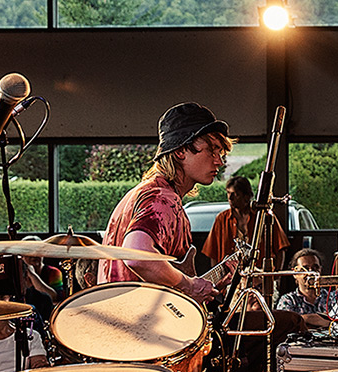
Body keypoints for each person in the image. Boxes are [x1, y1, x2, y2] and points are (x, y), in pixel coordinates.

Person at [99, 103, 232, 302]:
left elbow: (164, 285)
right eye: (211, 151)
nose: (219, 161)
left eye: (220, 153)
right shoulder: (162, 199)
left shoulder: (145, 192)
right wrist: (188, 285)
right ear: (181, 151)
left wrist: (203, 287)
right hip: (136, 318)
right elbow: (135, 256)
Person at [277, 246, 338, 332]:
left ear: (320, 270)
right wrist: (321, 321)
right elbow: (285, 326)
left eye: (315, 267)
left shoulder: (333, 297)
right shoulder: (288, 300)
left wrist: (301, 320)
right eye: (305, 268)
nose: (311, 272)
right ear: (295, 273)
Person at [202, 174, 256, 272]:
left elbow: (280, 248)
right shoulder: (221, 219)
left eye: (235, 194)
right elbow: (212, 252)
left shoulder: (261, 217)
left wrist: (276, 278)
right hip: (229, 276)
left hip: (256, 275)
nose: (230, 197)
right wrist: (218, 276)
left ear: (246, 196)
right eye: (228, 193)